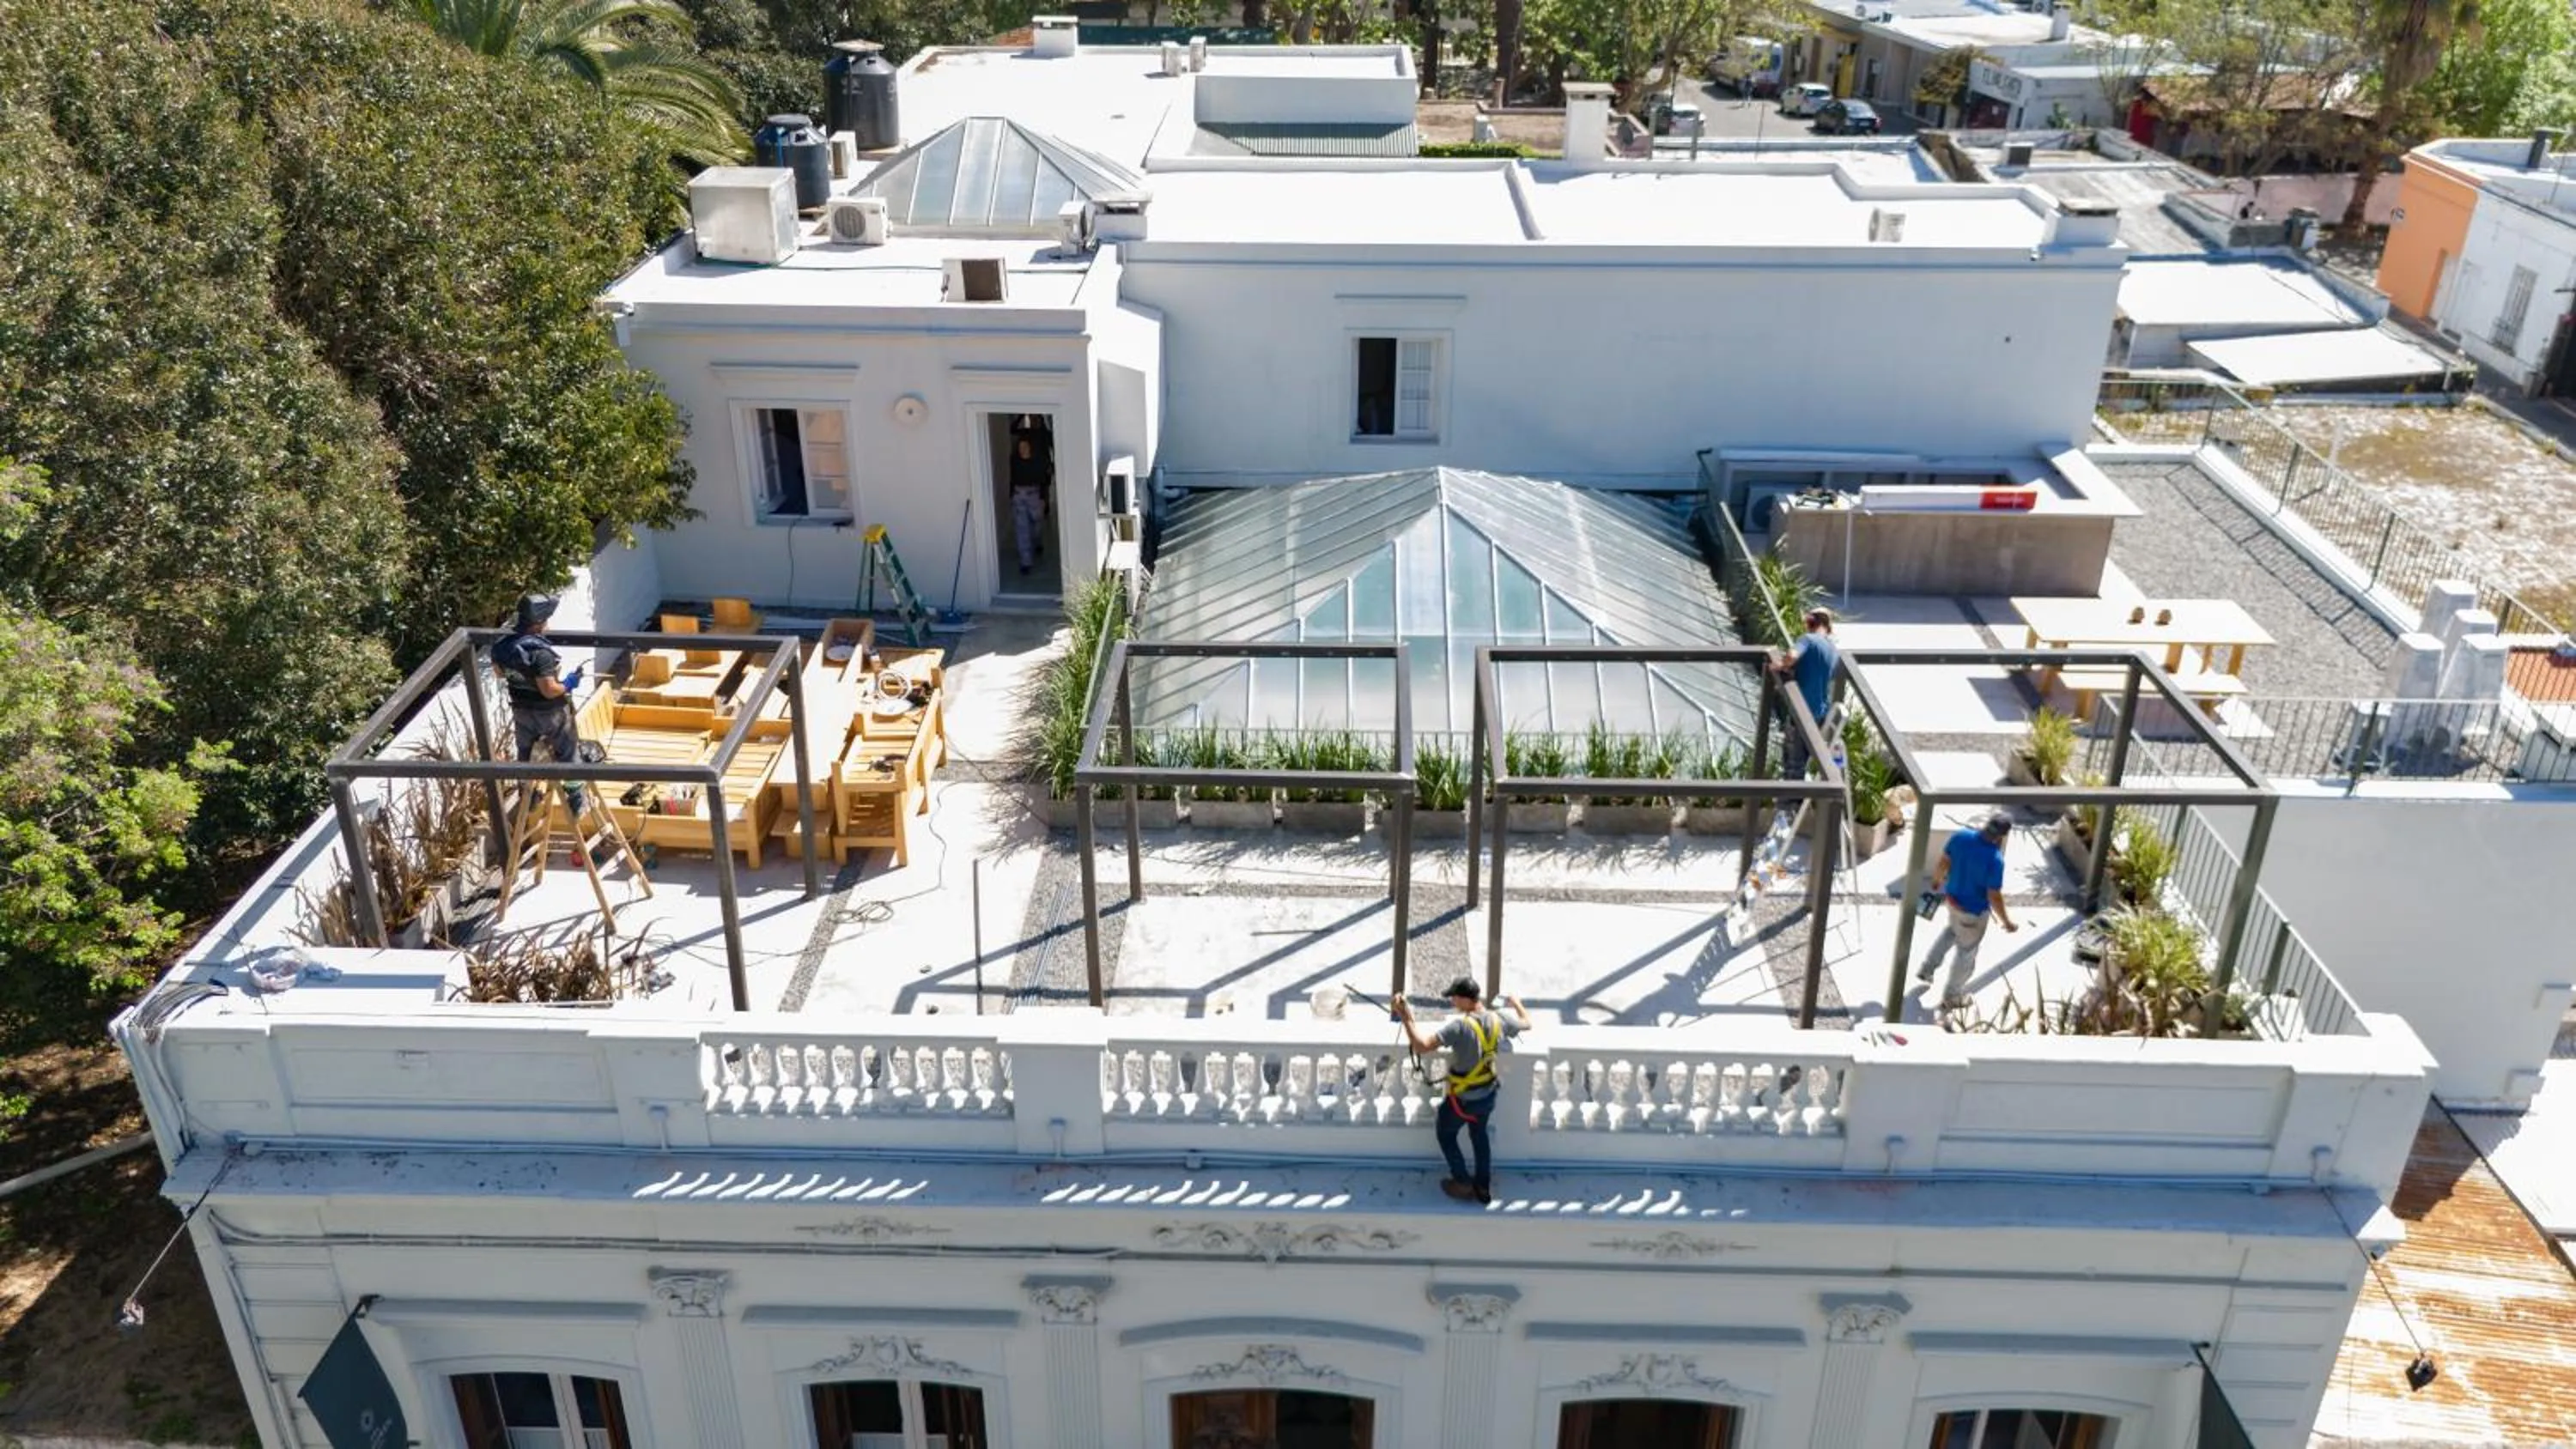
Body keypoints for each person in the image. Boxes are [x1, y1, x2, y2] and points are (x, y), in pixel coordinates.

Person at [1394, 979, 1532, 1203]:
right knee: (1480, 1135)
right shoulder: (1500, 1019)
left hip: (1462, 1101)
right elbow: (1526, 1023)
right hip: (1487, 1095)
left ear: (1466, 999)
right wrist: (1516, 1002)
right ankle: (1483, 1186)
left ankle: (1462, 1182)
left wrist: (1405, 1015)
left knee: (1446, 1134)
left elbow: (1421, 1046)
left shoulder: (1459, 1027)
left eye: (1454, 997)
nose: (1452, 1000)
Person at [490, 593, 590, 817]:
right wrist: (568, 684)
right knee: (567, 750)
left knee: (525, 752)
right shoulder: (540, 653)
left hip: (521, 710)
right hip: (550, 713)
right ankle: (576, 800)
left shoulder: (503, 646)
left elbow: (498, 673)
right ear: (540, 623)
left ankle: (529, 795)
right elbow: (548, 690)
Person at [1916, 813, 2020, 1011]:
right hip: (1972, 913)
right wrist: (2006, 921)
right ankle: (1953, 997)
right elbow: (1994, 895)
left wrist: (1937, 881)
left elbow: (1944, 862)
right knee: (1966, 954)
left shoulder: (1961, 836)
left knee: (1951, 932)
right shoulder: (1995, 859)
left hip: (1952, 901)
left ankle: (1927, 969)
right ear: (2002, 836)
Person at [1767, 607, 1838, 778]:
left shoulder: (1808, 639)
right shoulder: (1832, 650)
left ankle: (1791, 803)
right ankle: (1798, 801)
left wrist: (1781, 665)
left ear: (1812, 622)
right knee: (1804, 763)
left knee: (1793, 765)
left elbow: (1792, 656)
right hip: (1820, 714)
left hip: (1801, 711)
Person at [1009, 435, 1050, 576]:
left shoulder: (1038, 462)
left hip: (1035, 495)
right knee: (1022, 528)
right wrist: (1011, 496)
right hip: (1019, 495)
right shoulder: (1014, 461)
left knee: (1037, 525)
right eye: (1020, 447)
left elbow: (1045, 481)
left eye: (1025, 447)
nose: (1022, 450)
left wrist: (1044, 499)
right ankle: (1026, 562)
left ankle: (1038, 542)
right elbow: (1012, 478)